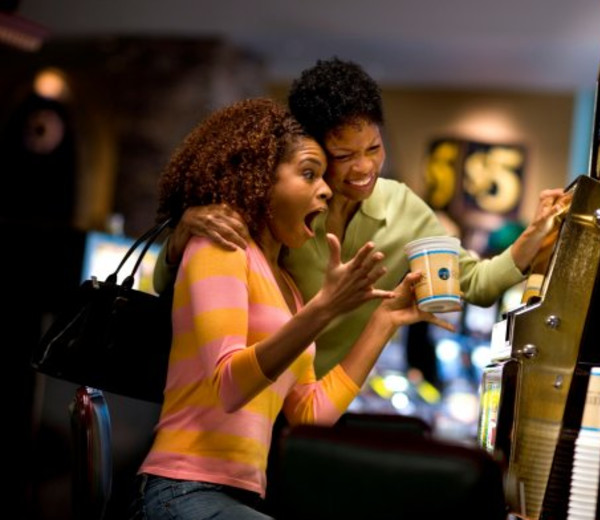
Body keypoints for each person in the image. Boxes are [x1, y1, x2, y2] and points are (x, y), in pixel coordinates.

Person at [131, 98, 452, 519]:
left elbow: (308, 415)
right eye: (308, 173)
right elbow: (229, 384)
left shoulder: (287, 287)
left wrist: (385, 320)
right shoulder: (221, 246)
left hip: (241, 495)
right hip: (181, 490)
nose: (324, 189)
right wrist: (323, 310)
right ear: (260, 179)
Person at [154, 56, 570, 378]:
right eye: (343, 156)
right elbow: (173, 286)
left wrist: (533, 236)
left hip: (314, 404)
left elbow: (476, 284)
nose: (364, 168)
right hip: (238, 386)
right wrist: (183, 234)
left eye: (373, 148)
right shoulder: (277, 207)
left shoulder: (403, 207)